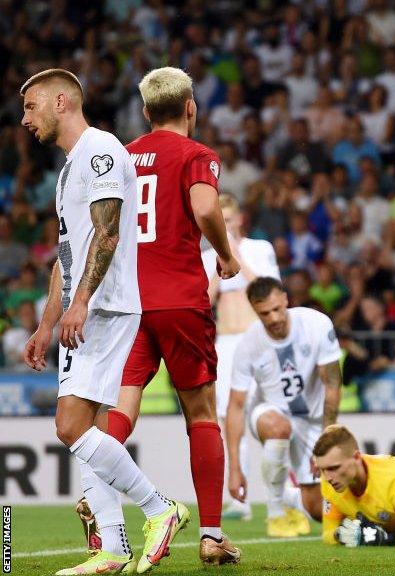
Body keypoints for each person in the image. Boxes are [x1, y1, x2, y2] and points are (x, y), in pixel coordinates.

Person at [71, 67, 244, 566]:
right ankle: (211, 535)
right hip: (180, 299)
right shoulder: (196, 155)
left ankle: (97, 491)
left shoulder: (122, 155)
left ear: (145, 113)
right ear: (192, 107)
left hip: (127, 302)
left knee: (121, 405)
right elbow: (206, 206)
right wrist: (226, 255)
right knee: (201, 414)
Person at [20, 68, 187, 574]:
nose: (25, 119)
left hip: (106, 307)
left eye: (31, 107)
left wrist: (80, 304)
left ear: (62, 102)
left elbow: (107, 235)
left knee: (69, 427)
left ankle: (162, 508)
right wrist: (48, 322)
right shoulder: (72, 167)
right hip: (85, 310)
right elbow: (68, 253)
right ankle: (112, 547)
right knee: (91, 429)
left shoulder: (102, 151)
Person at [225, 277, 342, 538]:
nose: (274, 318)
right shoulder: (248, 345)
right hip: (269, 413)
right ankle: (275, 512)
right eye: (265, 313)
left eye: (278, 309)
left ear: (286, 300)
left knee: (319, 511)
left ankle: (288, 498)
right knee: (279, 427)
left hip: (312, 421)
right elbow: (236, 406)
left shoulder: (316, 325)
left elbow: (332, 384)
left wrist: (327, 438)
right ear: (255, 311)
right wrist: (235, 468)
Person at [202, 194, 281, 521]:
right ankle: (241, 500)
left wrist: (234, 253)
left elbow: (268, 289)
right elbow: (206, 301)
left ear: (239, 220)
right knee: (228, 421)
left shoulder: (260, 249)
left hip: (259, 340)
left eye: (229, 219)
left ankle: (286, 494)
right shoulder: (207, 257)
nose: (225, 224)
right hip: (226, 342)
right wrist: (221, 260)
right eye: (219, 220)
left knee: (273, 416)